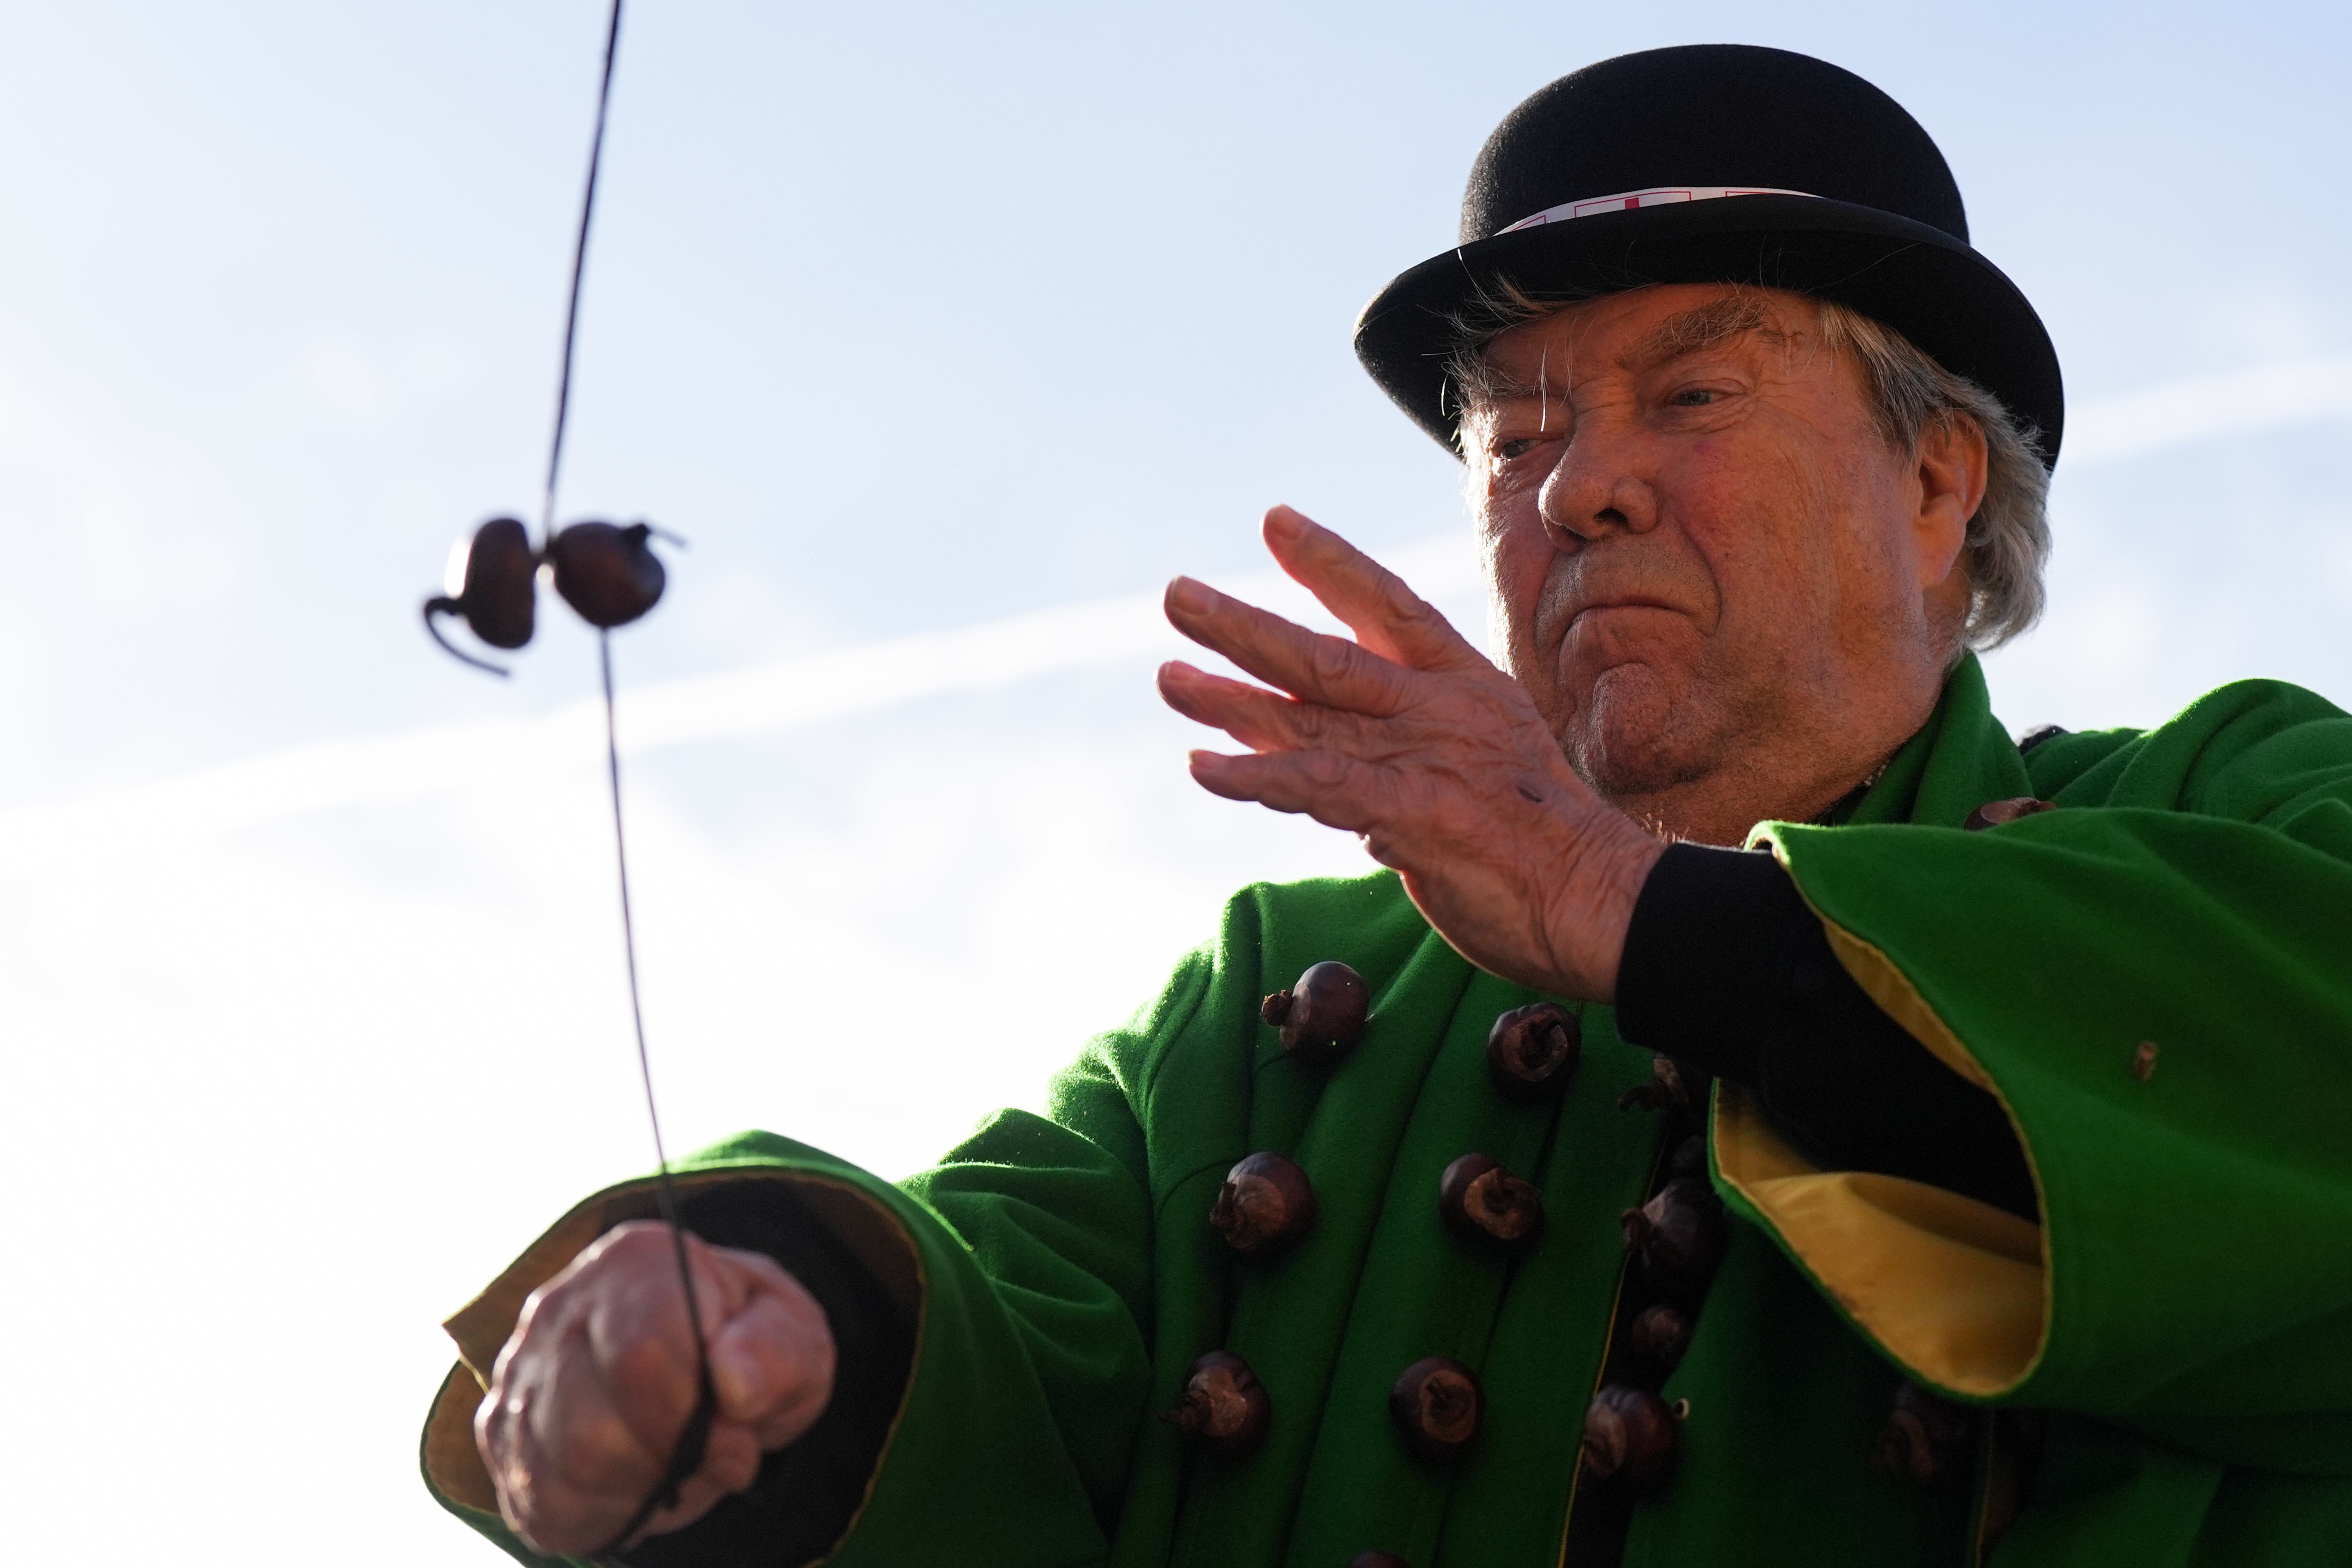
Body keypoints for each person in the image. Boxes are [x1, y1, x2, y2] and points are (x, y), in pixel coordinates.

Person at [420, 44, 2352, 1568]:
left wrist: (1639, 910)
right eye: (1517, 432)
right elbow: (1003, 1304)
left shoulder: (2242, 803)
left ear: (1940, 487)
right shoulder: (1284, 1001)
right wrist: (761, 1325)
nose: (1581, 487)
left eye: (1690, 400)